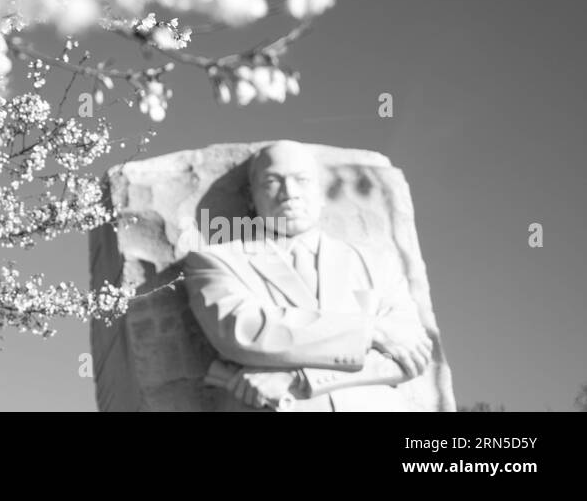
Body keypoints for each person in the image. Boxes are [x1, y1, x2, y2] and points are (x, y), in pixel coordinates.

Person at [183, 140, 434, 411]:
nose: (289, 193)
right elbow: (246, 330)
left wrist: (297, 378)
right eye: (272, 181)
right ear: (249, 197)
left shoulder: (376, 263)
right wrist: (370, 331)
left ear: (322, 192)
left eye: (301, 180)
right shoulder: (216, 262)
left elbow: (410, 356)